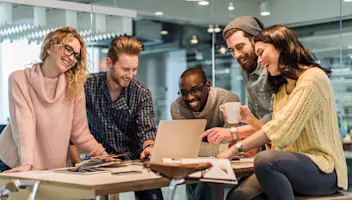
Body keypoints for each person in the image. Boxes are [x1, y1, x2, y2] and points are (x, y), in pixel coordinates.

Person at [204, 24, 348, 200]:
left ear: (280, 47)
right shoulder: (281, 89)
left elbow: (282, 129)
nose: (259, 61)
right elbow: (275, 134)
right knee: (239, 196)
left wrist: (234, 149)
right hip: (292, 165)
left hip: (324, 169)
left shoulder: (313, 78)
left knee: (265, 160)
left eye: (261, 52)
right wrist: (250, 119)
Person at [0, 27, 108, 173]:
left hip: (52, 166)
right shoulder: (19, 79)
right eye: (68, 49)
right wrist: (26, 163)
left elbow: (80, 133)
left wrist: (104, 156)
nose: (71, 58)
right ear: (50, 47)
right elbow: (24, 125)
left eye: (76, 55)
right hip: (15, 161)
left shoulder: (74, 87)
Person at [82, 36, 163, 200]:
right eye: (125, 69)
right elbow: (74, 124)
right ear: (109, 63)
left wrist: (149, 146)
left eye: (134, 69)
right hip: (97, 159)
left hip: (134, 159)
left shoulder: (141, 93)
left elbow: (146, 129)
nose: (131, 75)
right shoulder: (87, 85)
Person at [171, 67, 245, 200]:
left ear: (208, 86)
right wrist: (222, 147)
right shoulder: (177, 107)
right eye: (184, 92)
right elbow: (186, 149)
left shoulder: (229, 100)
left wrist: (195, 148)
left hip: (225, 163)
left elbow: (232, 144)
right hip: (192, 167)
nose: (189, 97)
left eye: (194, 90)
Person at [203, 16, 273, 145]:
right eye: (232, 50)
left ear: (256, 40)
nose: (237, 55)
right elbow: (257, 119)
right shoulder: (248, 70)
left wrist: (234, 132)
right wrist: (249, 143)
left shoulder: (274, 69)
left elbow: (277, 120)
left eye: (240, 47)